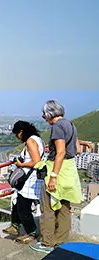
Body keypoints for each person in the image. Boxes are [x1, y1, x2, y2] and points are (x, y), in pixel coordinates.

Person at [30, 100, 83, 254]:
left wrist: (53, 177)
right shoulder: (71, 125)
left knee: (47, 208)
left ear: (48, 114)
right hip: (69, 172)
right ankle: (60, 242)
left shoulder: (57, 127)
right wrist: (54, 147)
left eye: (44, 115)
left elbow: (60, 153)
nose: (44, 119)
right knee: (64, 208)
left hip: (57, 171)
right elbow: (77, 149)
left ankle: (47, 243)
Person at [3, 121, 45, 244]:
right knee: (17, 202)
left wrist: (21, 164)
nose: (18, 137)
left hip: (30, 180)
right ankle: (15, 226)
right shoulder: (38, 139)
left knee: (23, 207)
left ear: (21, 132)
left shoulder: (30, 141)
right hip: (30, 179)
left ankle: (31, 232)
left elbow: (36, 161)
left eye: (17, 134)